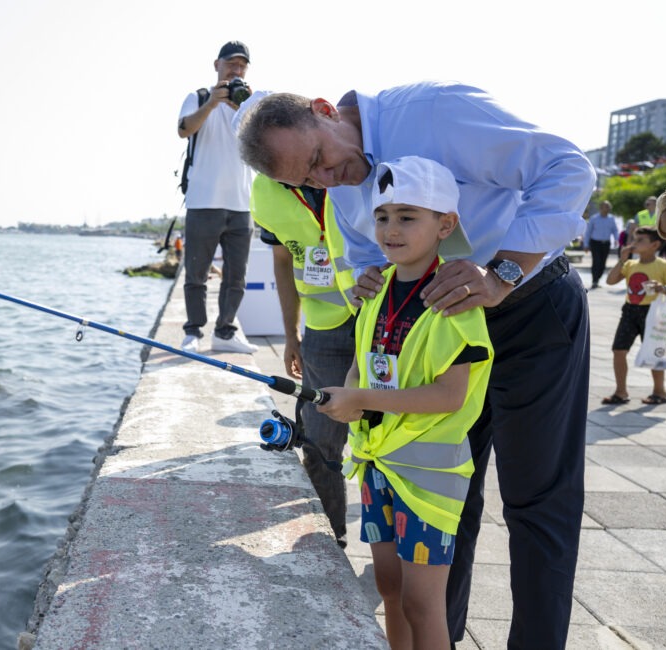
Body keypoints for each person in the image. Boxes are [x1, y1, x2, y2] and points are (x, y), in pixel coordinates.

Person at [237, 83, 594, 649]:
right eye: (305, 182)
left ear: (326, 112)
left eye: (318, 161)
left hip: (529, 310)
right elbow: (358, 255)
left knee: (538, 502)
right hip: (433, 333)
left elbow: (568, 170)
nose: (327, 182)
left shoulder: (433, 111)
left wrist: (501, 274)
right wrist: (366, 282)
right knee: (447, 502)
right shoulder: (335, 184)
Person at [316, 157, 492, 649]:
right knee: (388, 587)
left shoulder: (455, 300)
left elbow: (449, 395)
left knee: (422, 602)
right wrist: (347, 396)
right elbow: (361, 363)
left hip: (428, 480)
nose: (391, 229)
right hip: (377, 466)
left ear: (445, 225)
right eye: (383, 216)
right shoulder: (374, 291)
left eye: (408, 216)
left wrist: (362, 397)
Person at [249, 173, 358, 547]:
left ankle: (397, 549)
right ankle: (332, 541)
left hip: (389, 318)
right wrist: (290, 333)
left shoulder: (348, 160)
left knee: (392, 440)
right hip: (324, 329)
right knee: (318, 441)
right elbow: (282, 259)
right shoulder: (264, 190)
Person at [176, 41, 257, 354]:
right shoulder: (197, 98)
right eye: (230, 64)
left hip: (241, 204)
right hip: (203, 201)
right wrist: (212, 103)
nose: (235, 70)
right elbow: (184, 130)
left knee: (236, 277)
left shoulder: (248, 103)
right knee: (196, 274)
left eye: (241, 66)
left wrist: (246, 107)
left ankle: (225, 332)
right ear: (217, 65)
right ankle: (193, 332)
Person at [602, 227, 666, 405]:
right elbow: (610, 280)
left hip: (653, 312)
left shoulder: (664, 266)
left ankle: (660, 392)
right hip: (630, 310)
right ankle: (621, 392)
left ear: (655, 244)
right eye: (634, 239)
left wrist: (663, 288)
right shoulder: (630, 265)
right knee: (619, 350)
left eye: (640, 240)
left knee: (653, 352)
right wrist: (622, 259)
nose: (634, 244)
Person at [582, 200, 620, 289]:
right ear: (600, 208)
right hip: (595, 243)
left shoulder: (611, 219)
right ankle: (594, 280)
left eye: (608, 207)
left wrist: (616, 239)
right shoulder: (594, 218)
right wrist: (586, 245)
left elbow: (614, 230)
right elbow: (588, 232)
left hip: (606, 243)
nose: (606, 208)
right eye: (604, 206)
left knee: (603, 263)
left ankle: (597, 279)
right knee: (596, 261)